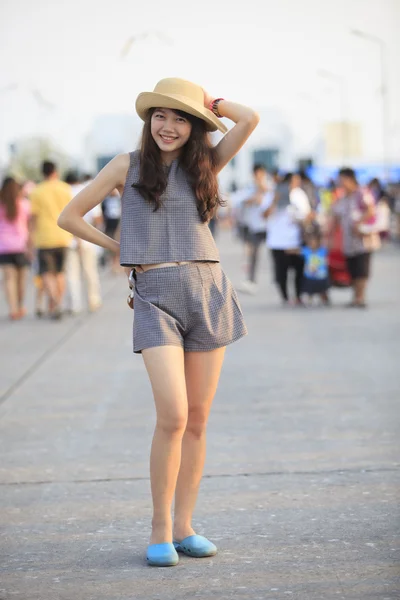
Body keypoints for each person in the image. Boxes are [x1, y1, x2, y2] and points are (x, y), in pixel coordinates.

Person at [58, 78, 259, 567]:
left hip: (208, 292)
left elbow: (249, 119)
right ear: (148, 121)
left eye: (180, 117)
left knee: (198, 419)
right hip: (155, 299)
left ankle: (186, 526)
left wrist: (210, 104)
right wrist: (122, 252)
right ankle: (160, 529)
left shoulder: (206, 165)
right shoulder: (126, 166)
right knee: (172, 414)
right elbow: (71, 216)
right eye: (160, 116)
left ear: (195, 127)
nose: (169, 126)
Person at [330, 168, 380, 308]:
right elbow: (335, 216)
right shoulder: (343, 198)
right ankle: (355, 297)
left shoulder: (362, 193)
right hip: (348, 240)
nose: (340, 182)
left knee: (362, 269)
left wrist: (358, 223)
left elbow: (371, 210)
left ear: (349, 179)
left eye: (342, 179)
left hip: (363, 239)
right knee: (352, 268)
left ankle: (361, 297)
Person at [30, 161, 73, 319]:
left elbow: (33, 218)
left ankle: (55, 301)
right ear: (55, 171)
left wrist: (30, 239)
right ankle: (58, 303)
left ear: (42, 173)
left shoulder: (36, 191)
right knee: (60, 273)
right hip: (63, 236)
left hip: (44, 238)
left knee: (47, 274)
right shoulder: (65, 188)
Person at [263, 173, 311, 306]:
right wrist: (275, 200)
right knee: (281, 272)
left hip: (296, 240)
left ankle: (299, 296)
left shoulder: (299, 195)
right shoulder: (272, 194)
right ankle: (285, 297)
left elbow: (306, 215)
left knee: (299, 270)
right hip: (277, 241)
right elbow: (264, 215)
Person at [65, 171, 103, 313]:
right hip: (88, 238)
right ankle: (94, 300)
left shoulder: (64, 191)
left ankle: (75, 304)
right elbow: (98, 218)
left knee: (72, 273)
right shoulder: (88, 190)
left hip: (68, 239)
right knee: (90, 271)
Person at [237, 164, 272, 294]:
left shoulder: (269, 185)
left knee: (273, 254)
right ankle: (251, 280)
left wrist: (262, 189)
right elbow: (241, 200)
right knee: (253, 254)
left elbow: (269, 200)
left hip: (269, 226)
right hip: (254, 226)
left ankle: (276, 280)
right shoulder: (249, 187)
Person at [0, 177, 31, 320]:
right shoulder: (24, 204)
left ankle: (12, 309)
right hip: (21, 246)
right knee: (21, 280)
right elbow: (30, 226)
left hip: (4, 247)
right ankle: (19, 306)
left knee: (9, 280)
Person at [301, 232, 330, 305]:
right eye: (310, 242)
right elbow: (296, 251)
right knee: (310, 289)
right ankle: (309, 300)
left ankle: (324, 299)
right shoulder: (306, 250)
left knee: (323, 290)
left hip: (321, 275)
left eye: (314, 242)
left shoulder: (323, 250)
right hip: (310, 275)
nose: (312, 244)